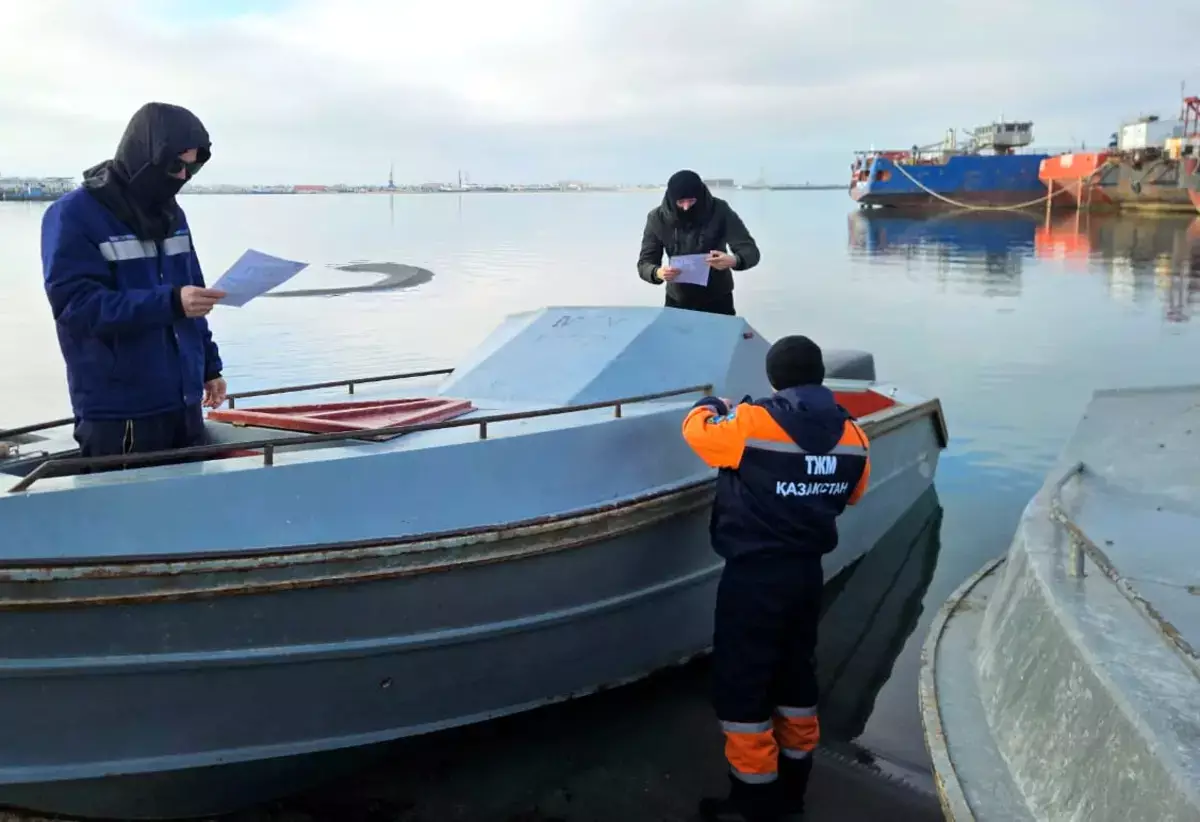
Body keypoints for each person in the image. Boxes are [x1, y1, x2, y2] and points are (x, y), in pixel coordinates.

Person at [680, 335, 872, 822]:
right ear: (820, 375)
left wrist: (712, 404)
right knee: (795, 680)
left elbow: (696, 432)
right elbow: (852, 494)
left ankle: (750, 803)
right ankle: (792, 795)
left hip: (754, 578)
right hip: (807, 576)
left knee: (743, 687)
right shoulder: (855, 435)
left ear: (773, 379)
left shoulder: (751, 423)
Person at [40, 102, 229, 462]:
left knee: (192, 514)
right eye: (175, 165)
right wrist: (171, 302)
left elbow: (193, 300)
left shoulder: (172, 214)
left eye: (194, 167)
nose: (183, 176)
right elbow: (77, 308)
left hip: (184, 406)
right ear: (144, 155)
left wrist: (209, 367)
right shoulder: (73, 215)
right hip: (120, 415)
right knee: (127, 518)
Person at [637, 169, 761, 316]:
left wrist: (734, 260)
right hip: (677, 301)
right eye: (680, 202)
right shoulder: (657, 218)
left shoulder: (720, 210)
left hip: (718, 299)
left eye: (691, 200)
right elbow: (644, 264)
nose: (686, 207)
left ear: (700, 196)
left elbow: (751, 251)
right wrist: (657, 272)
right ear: (671, 199)